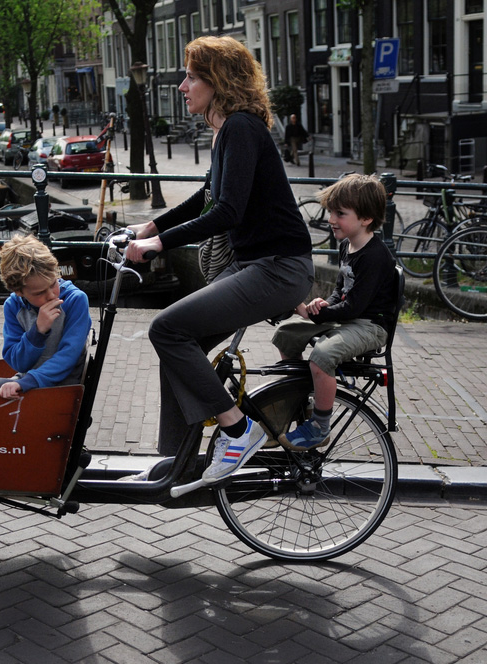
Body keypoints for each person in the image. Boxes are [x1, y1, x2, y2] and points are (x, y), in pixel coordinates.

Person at [124, 35, 314, 484]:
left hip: (277, 266)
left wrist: (161, 245)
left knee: (166, 328)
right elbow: (205, 197)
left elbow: (228, 211)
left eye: (191, 76)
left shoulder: (242, 128)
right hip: (256, 265)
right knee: (179, 345)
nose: (182, 85)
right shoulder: (230, 130)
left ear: (217, 81)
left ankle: (238, 428)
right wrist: (150, 228)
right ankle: (181, 460)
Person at [272, 174, 398, 448]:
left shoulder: (375, 255)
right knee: (286, 336)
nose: (331, 219)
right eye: (331, 211)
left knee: (322, 356)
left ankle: (320, 426)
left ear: (365, 219)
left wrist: (314, 314)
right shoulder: (346, 245)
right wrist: (325, 303)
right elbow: (341, 292)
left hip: (370, 326)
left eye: (340, 213)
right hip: (350, 318)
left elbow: (356, 306)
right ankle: (300, 400)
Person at [0, 235, 91, 399]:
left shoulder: (75, 300)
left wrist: (25, 382)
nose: (51, 295)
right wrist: (37, 332)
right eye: (40, 293)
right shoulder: (13, 306)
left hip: (63, 385)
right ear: (19, 292)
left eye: (53, 284)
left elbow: (68, 356)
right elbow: (18, 363)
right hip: (29, 380)